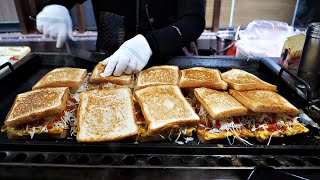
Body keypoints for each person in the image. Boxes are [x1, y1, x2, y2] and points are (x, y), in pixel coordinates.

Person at [36, 0, 205, 76]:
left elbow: (193, 20)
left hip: (172, 58)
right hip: (111, 57)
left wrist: (150, 43)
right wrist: (55, 4)